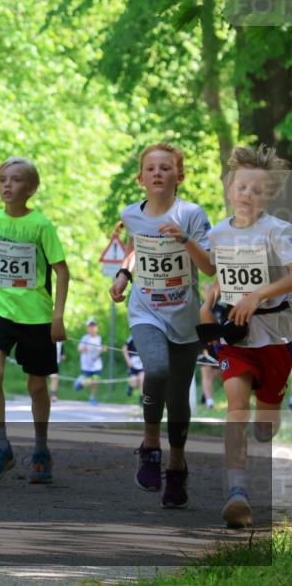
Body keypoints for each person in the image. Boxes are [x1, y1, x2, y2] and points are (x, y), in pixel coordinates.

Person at [110, 143, 214, 509]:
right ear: (140, 179)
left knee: (179, 398)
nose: (157, 173)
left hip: (184, 317)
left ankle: (177, 465)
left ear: (179, 177)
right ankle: (150, 445)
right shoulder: (131, 213)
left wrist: (184, 240)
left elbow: (210, 268)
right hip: (145, 310)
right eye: (150, 168)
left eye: (165, 168)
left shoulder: (192, 214)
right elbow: (138, 246)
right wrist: (124, 275)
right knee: (155, 368)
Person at [198, 145, 292, 528]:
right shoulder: (218, 233)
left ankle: (269, 417)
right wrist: (211, 300)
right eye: (242, 187)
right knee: (236, 405)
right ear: (230, 188)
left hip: (276, 336)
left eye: (257, 189)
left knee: (266, 425)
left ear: (268, 195)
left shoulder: (278, 231)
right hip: (236, 339)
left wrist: (257, 296)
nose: (248, 195)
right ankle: (237, 491)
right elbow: (223, 274)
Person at [0, 157, 70, 485]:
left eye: (14, 180)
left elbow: (61, 270)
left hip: (36, 316)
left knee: (37, 386)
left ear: (30, 188)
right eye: (2, 179)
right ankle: (1, 447)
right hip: (0, 310)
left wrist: (58, 317)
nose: (7, 185)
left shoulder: (41, 225)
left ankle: (41, 450)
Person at [75, 318, 102, 405]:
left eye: (94, 326)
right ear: (87, 328)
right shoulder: (85, 338)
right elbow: (79, 348)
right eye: (90, 326)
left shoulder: (99, 338)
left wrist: (102, 349)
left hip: (96, 364)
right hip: (86, 364)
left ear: (97, 327)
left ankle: (92, 397)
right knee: (88, 382)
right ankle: (80, 383)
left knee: (96, 381)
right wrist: (85, 348)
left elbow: (98, 349)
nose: (92, 328)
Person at [123, 335, 145, 401]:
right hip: (133, 364)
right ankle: (130, 387)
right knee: (134, 383)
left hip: (142, 364)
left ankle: (142, 400)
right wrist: (128, 360)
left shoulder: (146, 336)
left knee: (142, 380)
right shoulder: (131, 337)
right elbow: (124, 349)